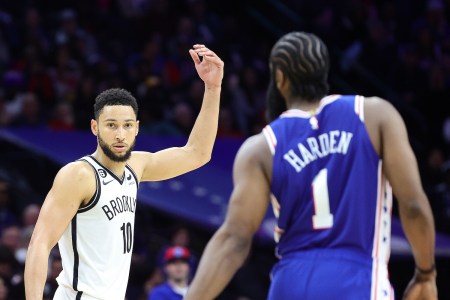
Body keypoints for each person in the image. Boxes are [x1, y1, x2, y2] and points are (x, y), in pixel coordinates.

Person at [184, 32, 437, 300]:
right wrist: (426, 273)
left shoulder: (261, 147)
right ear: (323, 70)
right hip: (356, 280)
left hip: (289, 283)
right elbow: (413, 206)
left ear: (279, 79)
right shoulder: (374, 114)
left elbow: (233, 240)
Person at [24, 44, 224, 300]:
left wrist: (213, 88)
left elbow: (198, 153)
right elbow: (39, 244)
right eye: (111, 125)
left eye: (127, 125)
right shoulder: (78, 175)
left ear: (137, 128)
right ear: (95, 127)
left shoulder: (136, 167)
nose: (120, 134)